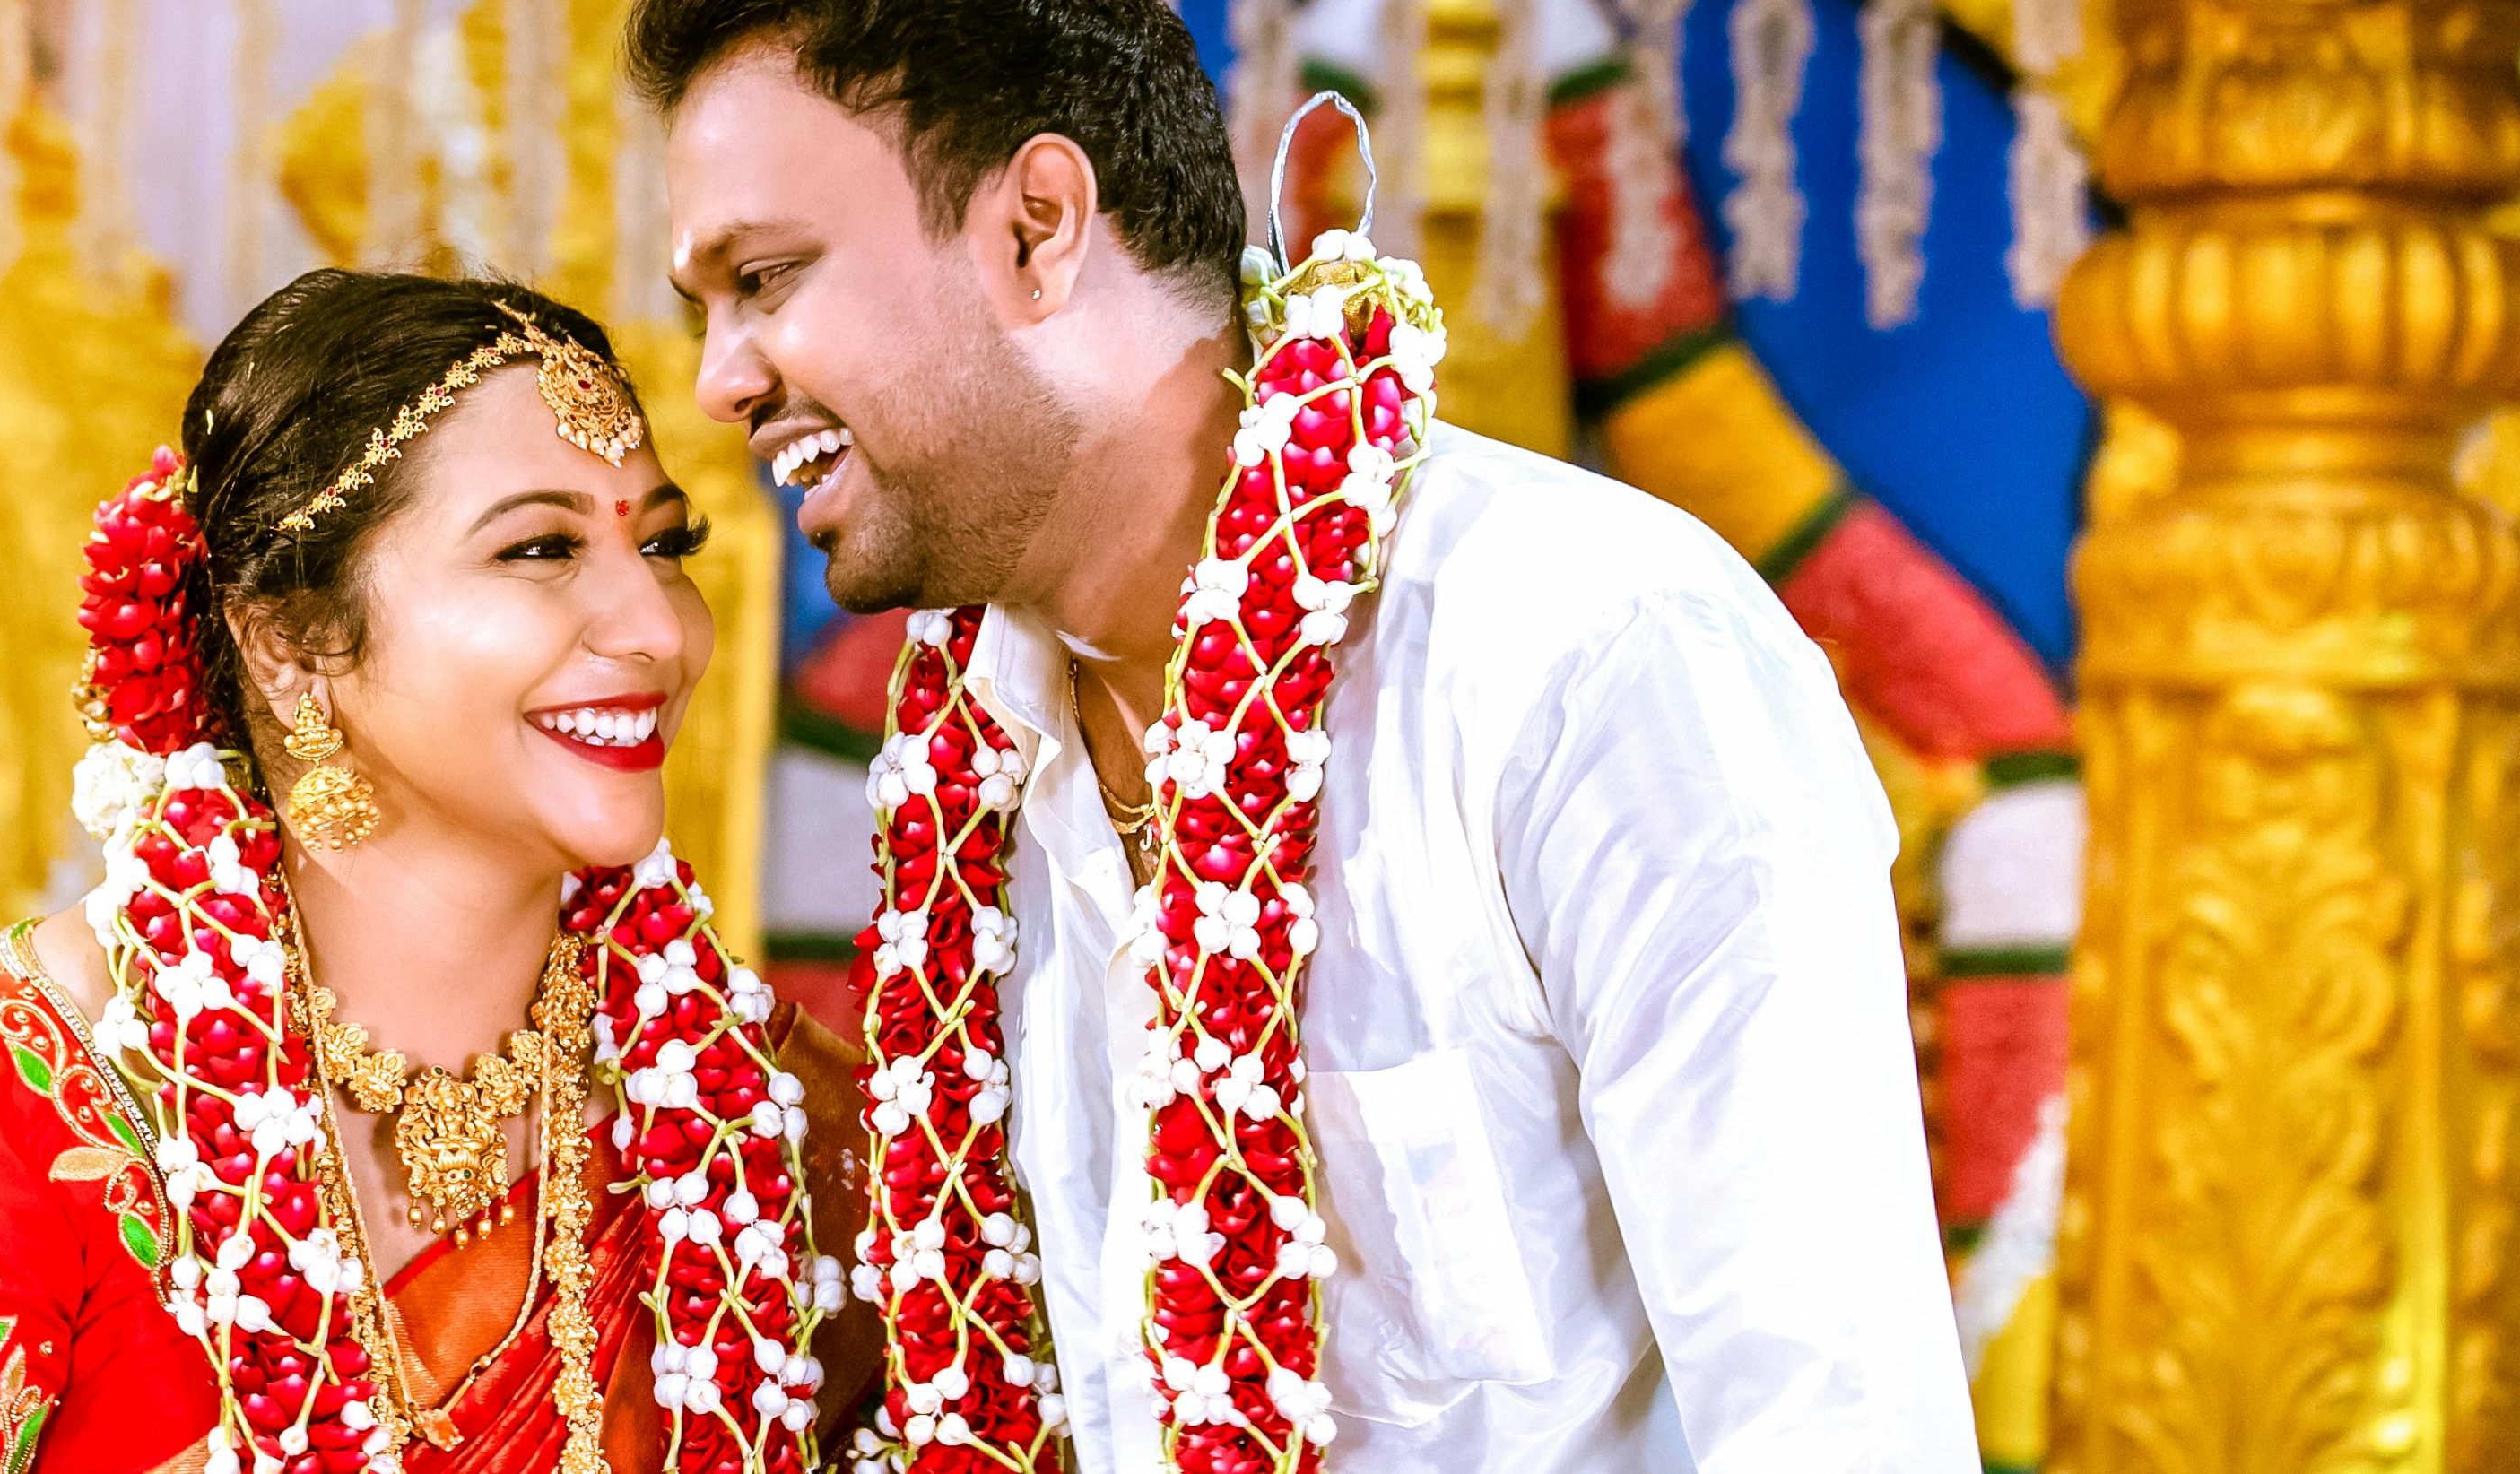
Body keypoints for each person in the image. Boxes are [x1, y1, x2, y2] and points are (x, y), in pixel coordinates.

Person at [630, 1, 1979, 1470]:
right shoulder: (967, 767)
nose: (719, 379)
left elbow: (1834, 1423)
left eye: (765, 278)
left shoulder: (1584, 658)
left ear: (1035, 226)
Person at [0, 272, 873, 1474]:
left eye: (663, 543)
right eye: (542, 549)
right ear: (289, 641)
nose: (655, 626)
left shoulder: (756, 1120)